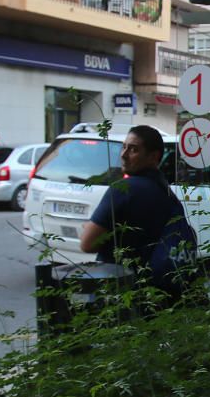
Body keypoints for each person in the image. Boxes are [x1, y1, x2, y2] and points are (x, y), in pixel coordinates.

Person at [80, 126, 189, 300]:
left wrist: (89, 227)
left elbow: (87, 244)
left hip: (120, 295)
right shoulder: (168, 194)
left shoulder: (123, 190)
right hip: (158, 297)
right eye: (124, 147)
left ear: (154, 157)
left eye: (133, 149)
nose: (123, 154)